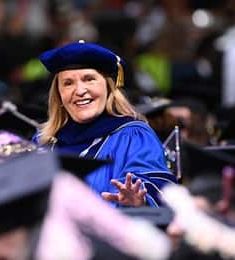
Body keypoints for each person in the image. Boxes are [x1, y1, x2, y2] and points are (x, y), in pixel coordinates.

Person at [32, 40, 177, 208]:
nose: (79, 91)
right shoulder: (43, 141)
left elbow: (159, 186)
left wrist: (140, 199)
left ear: (108, 88)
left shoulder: (132, 136)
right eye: (68, 83)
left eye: (89, 79)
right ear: (59, 94)